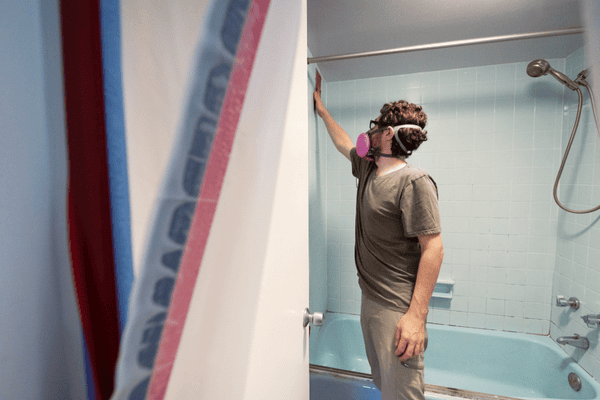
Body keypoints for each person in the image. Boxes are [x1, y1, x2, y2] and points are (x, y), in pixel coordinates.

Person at [314, 90, 443, 400]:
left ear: (387, 134)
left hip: (396, 309)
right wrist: (322, 111)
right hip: (370, 298)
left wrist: (415, 318)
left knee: (402, 394)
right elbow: (345, 142)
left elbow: (434, 248)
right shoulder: (369, 170)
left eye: (375, 127)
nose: (368, 132)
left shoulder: (413, 182)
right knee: (385, 385)